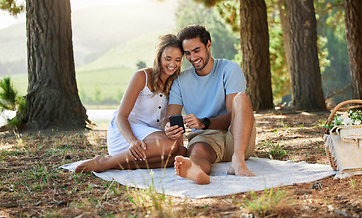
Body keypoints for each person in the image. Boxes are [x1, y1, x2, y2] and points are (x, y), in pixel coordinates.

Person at [75, 34, 187, 173]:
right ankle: (106, 162)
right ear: (159, 57)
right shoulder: (142, 76)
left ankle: (115, 165)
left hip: (153, 140)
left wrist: (180, 150)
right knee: (166, 144)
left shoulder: (176, 84)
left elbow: (172, 121)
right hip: (126, 132)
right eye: (168, 58)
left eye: (177, 60)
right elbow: (121, 116)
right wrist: (132, 141)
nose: (172, 64)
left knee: (178, 153)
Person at [164, 25, 256, 184]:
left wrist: (203, 122)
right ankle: (195, 171)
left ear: (208, 45)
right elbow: (170, 118)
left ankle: (237, 161)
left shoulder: (229, 69)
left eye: (196, 50)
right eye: (187, 53)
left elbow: (232, 116)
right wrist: (169, 128)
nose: (192, 57)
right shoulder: (180, 82)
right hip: (205, 140)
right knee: (198, 150)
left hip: (235, 136)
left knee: (240, 98)